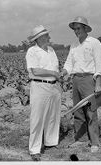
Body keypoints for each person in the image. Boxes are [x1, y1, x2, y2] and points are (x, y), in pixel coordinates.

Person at [60, 16, 101, 153]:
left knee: (90, 111)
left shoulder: (94, 42)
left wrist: (98, 83)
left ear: (86, 28)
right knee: (78, 111)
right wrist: (63, 72)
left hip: (88, 79)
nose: (76, 31)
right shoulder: (74, 45)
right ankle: (81, 139)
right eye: (74, 29)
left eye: (78, 28)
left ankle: (95, 142)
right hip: (76, 80)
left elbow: (99, 62)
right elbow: (69, 62)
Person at [25, 25, 61, 161]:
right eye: (46, 35)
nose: (49, 37)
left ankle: (50, 142)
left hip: (54, 87)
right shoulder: (32, 51)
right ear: (38, 38)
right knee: (37, 118)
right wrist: (53, 73)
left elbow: (55, 67)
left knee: (53, 116)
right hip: (39, 86)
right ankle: (34, 149)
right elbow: (35, 71)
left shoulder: (51, 50)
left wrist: (57, 80)